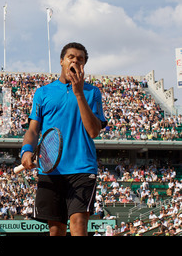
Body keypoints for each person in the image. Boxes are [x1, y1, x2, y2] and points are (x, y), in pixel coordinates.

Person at [20, 42, 107, 236]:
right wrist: (26, 150)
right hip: (50, 168)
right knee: (56, 229)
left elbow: (93, 131)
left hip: (82, 168)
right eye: (71, 57)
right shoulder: (43, 93)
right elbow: (33, 130)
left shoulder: (92, 92)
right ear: (62, 61)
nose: (75, 60)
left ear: (84, 65)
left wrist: (78, 92)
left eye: (80, 59)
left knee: (78, 222)